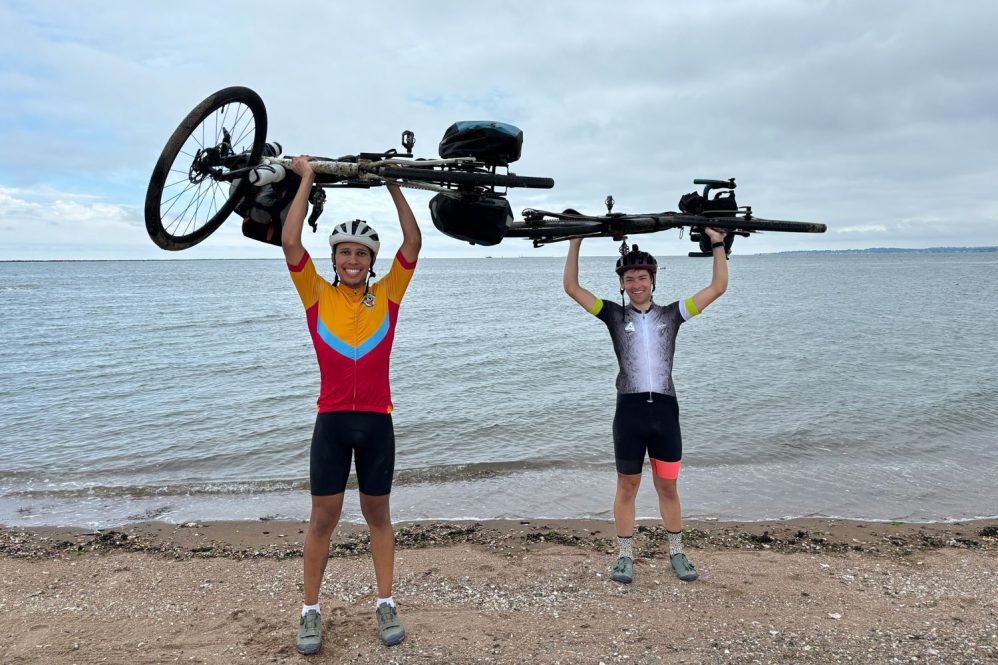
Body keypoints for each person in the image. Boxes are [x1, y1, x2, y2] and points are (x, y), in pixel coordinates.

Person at [281, 156, 421, 655]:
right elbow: (291, 243)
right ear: (335, 259)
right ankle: (309, 613)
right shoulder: (316, 294)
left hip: (378, 422)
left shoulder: (388, 295)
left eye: (361, 253)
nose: (353, 260)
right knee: (323, 519)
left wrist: (394, 187)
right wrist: (306, 180)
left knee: (378, 517)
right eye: (344, 252)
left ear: (371, 260)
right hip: (333, 423)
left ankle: (385, 603)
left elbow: (413, 245)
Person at [562, 229, 729, 584]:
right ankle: (624, 557)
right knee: (627, 487)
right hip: (630, 414)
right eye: (629, 279)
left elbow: (717, 288)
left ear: (653, 280)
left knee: (668, 488)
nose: (636, 284)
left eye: (642, 277)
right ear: (621, 284)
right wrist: (575, 242)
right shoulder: (612, 315)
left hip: (665, 414)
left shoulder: (673, 315)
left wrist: (717, 244)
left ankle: (678, 553)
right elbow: (572, 288)